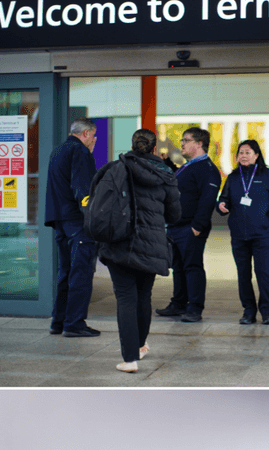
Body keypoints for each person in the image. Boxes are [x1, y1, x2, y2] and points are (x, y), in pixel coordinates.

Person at [97, 129, 181, 372]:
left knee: (125, 298)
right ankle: (141, 346)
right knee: (143, 296)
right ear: (154, 148)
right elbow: (175, 215)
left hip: (119, 241)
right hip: (151, 244)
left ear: (133, 145)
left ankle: (130, 358)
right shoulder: (166, 175)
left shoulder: (116, 168)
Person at [217, 140, 269, 325]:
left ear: (256, 155)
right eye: (241, 153)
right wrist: (221, 205)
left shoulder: (268, 175)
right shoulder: (232, 178)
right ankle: (248, 311)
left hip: (262, 234)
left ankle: (266, 311)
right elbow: (223, 199)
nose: (243, 156)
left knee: (263, 272)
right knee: (243, 274)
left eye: (248, 152)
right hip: (239, 234)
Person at [155, 127, 221, 323]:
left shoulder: (207, 169)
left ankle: (194, 308)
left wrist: (197, 226)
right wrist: (168, 163)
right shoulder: (189, 166)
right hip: (177, 226)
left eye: (186, 140)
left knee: (192, 267)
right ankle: (178, 304)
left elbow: (207, 200)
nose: (182, 143)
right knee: (179, 267)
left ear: (199, 144)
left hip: (191, 227)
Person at [44, 118, 100, 337]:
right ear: (86, 133)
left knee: (66, 272)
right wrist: (92, 219)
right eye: (93, 136)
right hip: (77, 221)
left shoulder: (58, 151)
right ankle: (74, 323)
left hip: (60, 220)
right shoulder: (80, 152)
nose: (93, 141)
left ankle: (58, 321)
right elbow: (83, 188)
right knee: (81, 271)